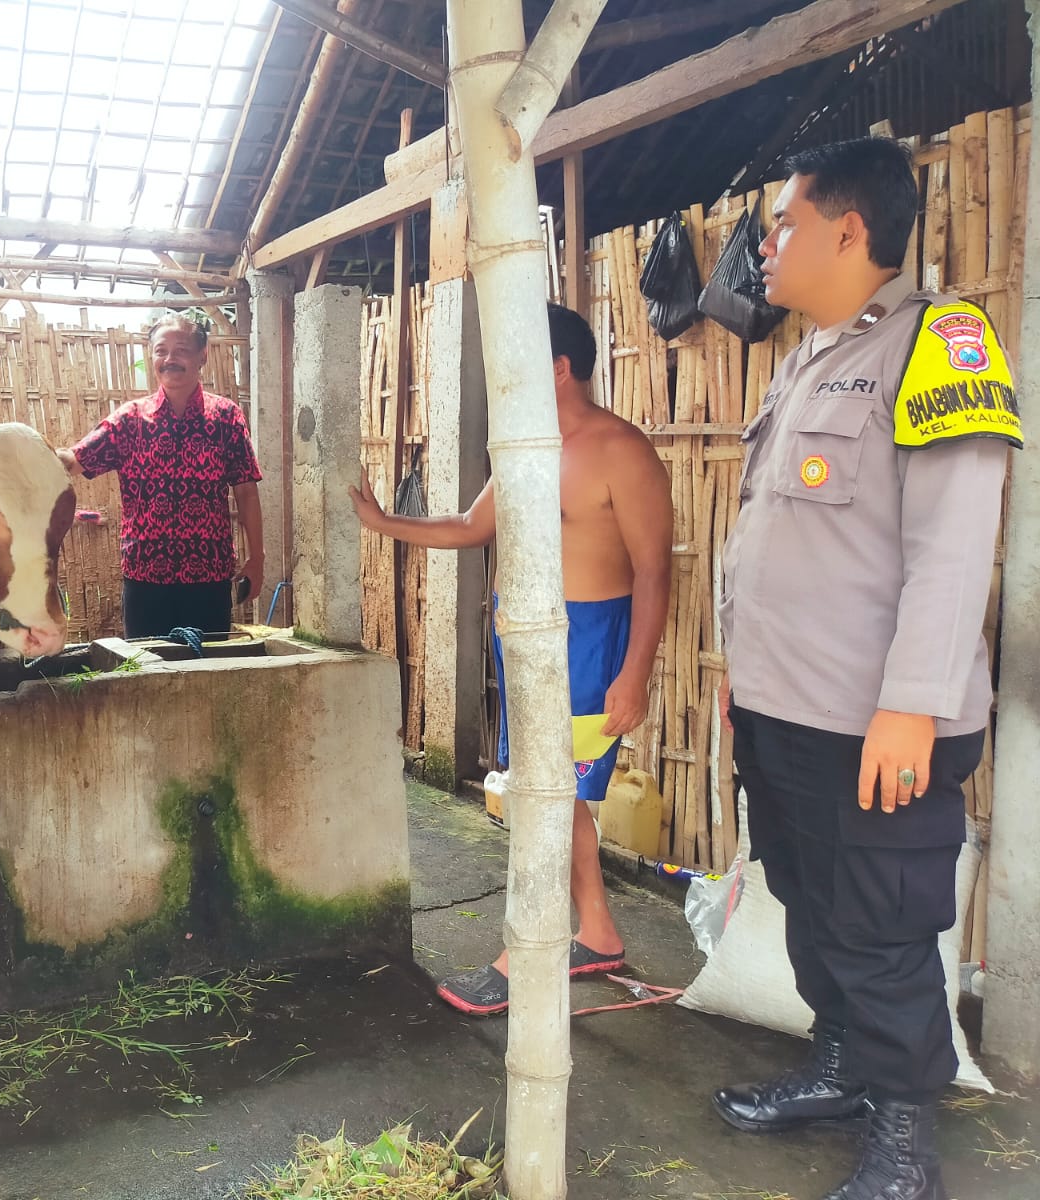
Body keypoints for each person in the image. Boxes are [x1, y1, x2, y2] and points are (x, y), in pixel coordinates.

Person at [713, 138, 1018, 1200]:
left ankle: (902, 1139)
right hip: (784, 706)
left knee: (882, 925)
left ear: (851, 230)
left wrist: (912, 706)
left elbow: (952, 541)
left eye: (783, 222)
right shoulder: (802, 356)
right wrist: (737, 672)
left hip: (874, 717)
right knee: (809, 903)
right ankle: (842, 1068)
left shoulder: (943, 339)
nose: (766, 244)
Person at [349, 302, 673, 1016]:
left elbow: (654, 571)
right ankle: (597, 933)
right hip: (523, 637)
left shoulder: (621, 450)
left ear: (559, 369)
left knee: (546, 804)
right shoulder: (528, 446)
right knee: (548, 796)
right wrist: (383, 522)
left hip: (587, 643)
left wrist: (635, 672)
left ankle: (526, 954)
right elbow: (471, 526)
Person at [58, 315, 263, 639]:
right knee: (147, 675)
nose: (170, 359)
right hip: (145, 581)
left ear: (202, 355)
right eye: (161, 351)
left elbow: (247, 491)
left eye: (181, 350)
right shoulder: (129, 420)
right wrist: (22, 449)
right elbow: (74, 461)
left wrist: (257, 558)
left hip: (208, 579)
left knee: (209, 675)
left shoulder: (226, 417)